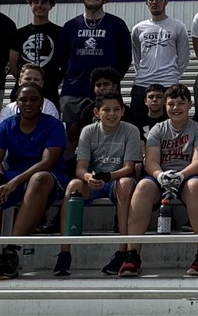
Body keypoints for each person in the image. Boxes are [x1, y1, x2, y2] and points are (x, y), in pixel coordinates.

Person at [0, 84, 67, 280]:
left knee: (38, 179)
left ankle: (11, 252)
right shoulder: (7, 125)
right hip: (13, 175)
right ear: (17, 102)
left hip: (47, 176)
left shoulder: (53, 125)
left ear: (41, 103)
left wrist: (14, 182)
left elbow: (47, 162)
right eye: (23, 99)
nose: (28, 103)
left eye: (33, 99)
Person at [118, 84, 198, 277]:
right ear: (165, 105)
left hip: (188, 175)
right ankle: (132, 255)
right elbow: (151, 160)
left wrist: (181, 176)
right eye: (171, 103)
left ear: (190, 105)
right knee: (143, 187)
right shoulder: (158, 129)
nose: (176, 108)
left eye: (180, 103)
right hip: (162, 176)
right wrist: (160, 175)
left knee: (195, 186)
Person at [53, 92, 142, 277]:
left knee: (126, 184)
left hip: (116, 179)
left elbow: (129, 168)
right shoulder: (88, 131)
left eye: (116, 109)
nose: (112, 114)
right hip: (93, 180)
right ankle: (64, 253)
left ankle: (123, 250)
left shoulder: (131, 130)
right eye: (106, 110)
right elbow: (80, 168)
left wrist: (108, 176)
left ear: (123, 111)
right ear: (97, 112)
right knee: (72, 187)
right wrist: (88, 177)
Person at [55, 0, 132, 146]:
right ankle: (73, 169)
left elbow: (126, 57)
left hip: (106, 90)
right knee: (73, 135)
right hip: (74, 89)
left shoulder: (117, 24)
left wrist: (112, 80)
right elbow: (62, 56)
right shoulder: (70, 25)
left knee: (107, 134)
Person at [130, 0, 190, 113]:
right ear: (147, 2)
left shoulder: (178, 27)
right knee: (137, 124)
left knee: (169, 125)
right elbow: (136, 57)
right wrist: (143, 73)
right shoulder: (138, 28)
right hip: (142, 83)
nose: (154, 2)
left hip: (168, 82)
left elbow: (184, 58)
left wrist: (172, 75)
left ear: (166, 1)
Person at [9, 0, 63, 105]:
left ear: (51, 5)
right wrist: (24, 80)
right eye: (36, 2)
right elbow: (13, 64)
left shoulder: (60, 33)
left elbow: (64, 63)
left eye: (43, 2)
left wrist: (54, 82)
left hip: (49, 91)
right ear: (30, 4)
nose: (39, 5)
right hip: (23, 91)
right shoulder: (19, 33)